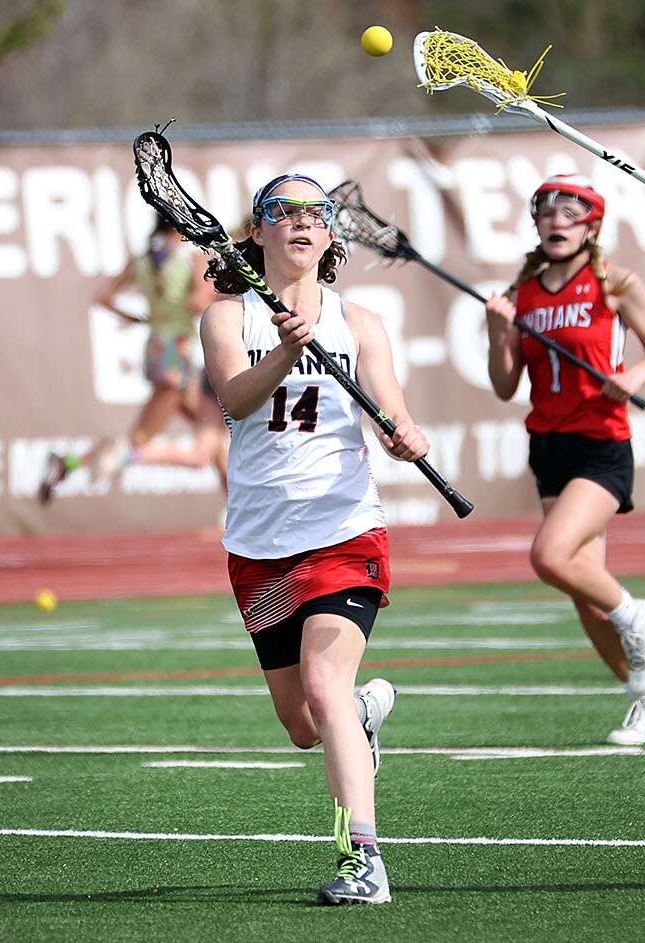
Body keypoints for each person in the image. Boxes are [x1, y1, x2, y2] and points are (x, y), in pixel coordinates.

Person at [201, 173, 427, 905]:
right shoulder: (227, 318)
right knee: (304, 724)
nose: (300, 223)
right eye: (282, 212)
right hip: (260, 547)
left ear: (331, 236)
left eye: (314, 213)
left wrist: (403, 434)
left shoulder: (359, 320)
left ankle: (363, 860)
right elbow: (235, 399)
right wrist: (280, 352)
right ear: (259, 231)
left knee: (326, 686)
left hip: (342, 530)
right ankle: (359, 722)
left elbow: (390, 407)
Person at [485, 174, 645, 745]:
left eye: (570, 214)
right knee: (584, 594)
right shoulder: (523, 295)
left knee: (550, 556)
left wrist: (631, 376)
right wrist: (498, 334)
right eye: (546, 214)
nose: (556, 223)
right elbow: (504, 384)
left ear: (592, 226)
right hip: (548, 445)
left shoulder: (613, 282)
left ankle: (639, 616)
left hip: (601, 443)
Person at [39, 217, 222, 503]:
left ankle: (232, 502)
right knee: (139, 438)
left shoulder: (145, 258)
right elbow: (199, 301)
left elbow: (104, 296)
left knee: (212, 427)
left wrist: (141, 317)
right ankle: (77, 462)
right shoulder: (190, 256)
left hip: (157, 345)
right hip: (178, 349)